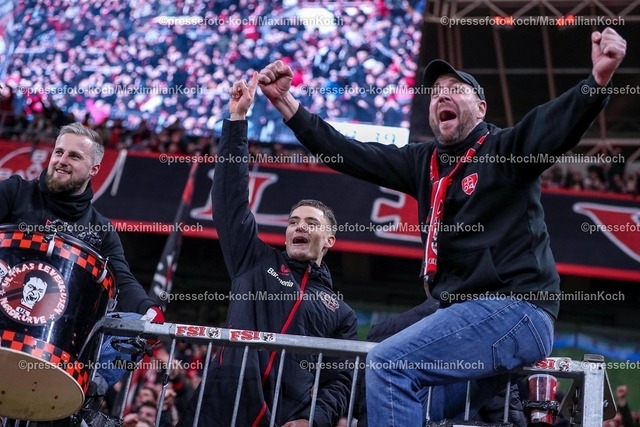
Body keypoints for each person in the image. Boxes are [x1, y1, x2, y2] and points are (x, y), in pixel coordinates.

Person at [257, 27, 627, 425]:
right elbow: (350, 152)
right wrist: (288, 106)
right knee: (408, 402)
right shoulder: (423, 162)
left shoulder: (504, 151)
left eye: (455, 89)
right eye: (435, 93)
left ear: (481, 109)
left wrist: (597, 82)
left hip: (517, 309)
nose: (442, 96)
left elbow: (550, 126)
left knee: (388, 364)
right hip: (464, 313)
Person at [179, 73, 357, 427]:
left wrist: (313, 419)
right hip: (216, 413)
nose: (299, 227)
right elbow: (230, 201)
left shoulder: (342, 313)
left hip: (282, 420)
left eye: (311, 223)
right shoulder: (254, 260)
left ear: (330, 240)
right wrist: (236, 122)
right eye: (293, 221)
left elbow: (340, 381)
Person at [0, 123, 164, 415]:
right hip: (5, 314)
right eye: (59, 152)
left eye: (74, 156)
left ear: (94, 169)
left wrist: (150, 312)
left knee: (134, 325)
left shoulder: (101, 229)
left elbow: (124, 281)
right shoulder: (15, 191)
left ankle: (84, 397)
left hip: (58, 339)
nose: (61, 161)